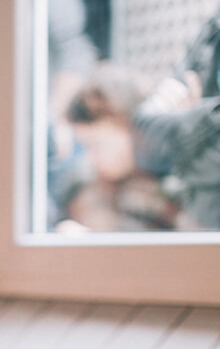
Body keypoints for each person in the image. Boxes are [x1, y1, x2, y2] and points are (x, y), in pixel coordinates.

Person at [132, 0, 220, 229]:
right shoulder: (211, 33)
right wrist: (209, 119)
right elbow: (145, 139)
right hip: (204, 238)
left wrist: (189, 116)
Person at [57, 64, 180, 232]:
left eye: (98, 145)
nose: (92, 158)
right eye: (85, 147)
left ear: (132, 126)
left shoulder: (174, 185)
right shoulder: (85, 189)